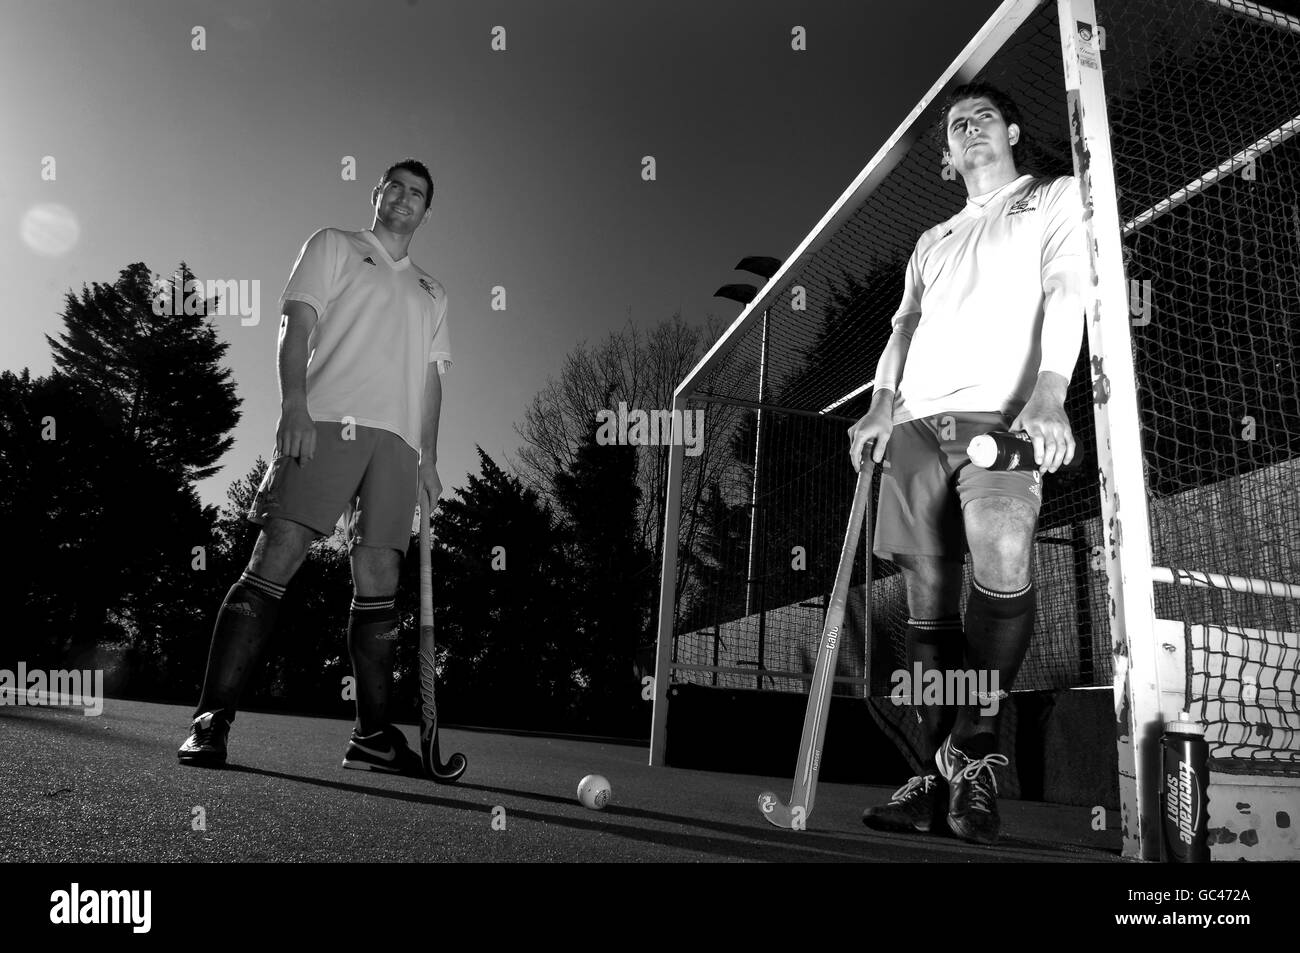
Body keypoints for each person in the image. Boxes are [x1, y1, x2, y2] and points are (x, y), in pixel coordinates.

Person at [848, 83, 1086, 844]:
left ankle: (975, 747)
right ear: (947, 158)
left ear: (1012, 131)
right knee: (929, 601)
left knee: (1006, 541)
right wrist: (883, 402)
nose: (972, 129)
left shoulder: (1052, 198)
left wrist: (1051, 389)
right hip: (916, 426)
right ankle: (929, 770)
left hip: (1002, 412)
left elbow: (1064, 287)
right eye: (958, 125)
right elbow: (903, 327)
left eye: (985, 117)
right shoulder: (930, 242)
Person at [178, 159, 452, 775]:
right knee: (275, 558)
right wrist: (293, 404)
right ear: (377, 193)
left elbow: (432, 380)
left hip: (398, 446)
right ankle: (210, 720)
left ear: (427, 212)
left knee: (380, 581)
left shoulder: (434, 292)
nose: (406, 201)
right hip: (327, 421)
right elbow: (295, 321)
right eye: (397, 189)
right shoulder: (334, 244)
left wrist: (428, 457)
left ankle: (373, 737)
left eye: (419, 196)